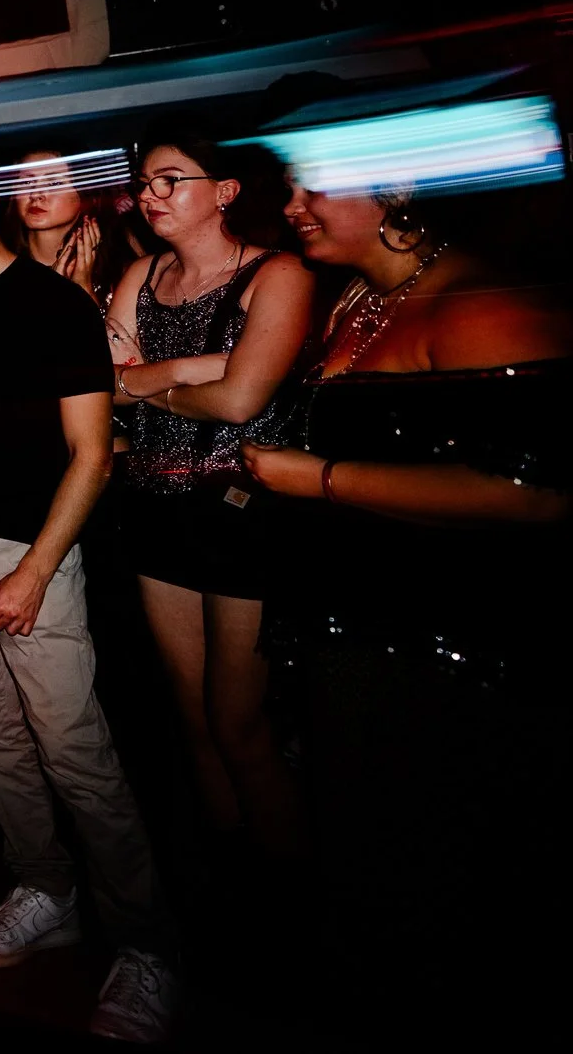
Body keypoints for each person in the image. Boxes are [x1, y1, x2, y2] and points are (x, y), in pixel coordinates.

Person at [241, 177, 570, 1036]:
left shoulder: (482, 305)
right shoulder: (356, 298)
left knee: (444, 889)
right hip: (351, 633)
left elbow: (536, 495)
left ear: (398, 188)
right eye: (288, 186)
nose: (293, 206)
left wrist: (319, 479)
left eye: (313, 185)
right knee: (363, 869)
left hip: (447, 654)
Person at [0, 143, 177, 1042]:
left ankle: (146, 943)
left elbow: (91, 455)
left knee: (73, 747)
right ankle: (47, 889)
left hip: (35, 550)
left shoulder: (55, 306)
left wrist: (36, 570)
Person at [104, 129, 308, 858]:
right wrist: (197, 368)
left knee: (238, 722)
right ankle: (229, 874)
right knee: (192, 716)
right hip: (154, 507)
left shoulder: (277, 272)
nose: (149, 194)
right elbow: (107, 385)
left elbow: (240, 400)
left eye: (169, 180)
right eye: (144, 183)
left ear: (224, 192)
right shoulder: (141, 274)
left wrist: (151, 379)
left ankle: (290, 880)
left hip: (242, 511)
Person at [13, 147, 143, 310]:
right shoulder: (1, 266)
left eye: (54, 183)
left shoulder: (119, 260)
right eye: (27, 182)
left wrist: (83, 289)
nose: (35, 194)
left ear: (86, 193)